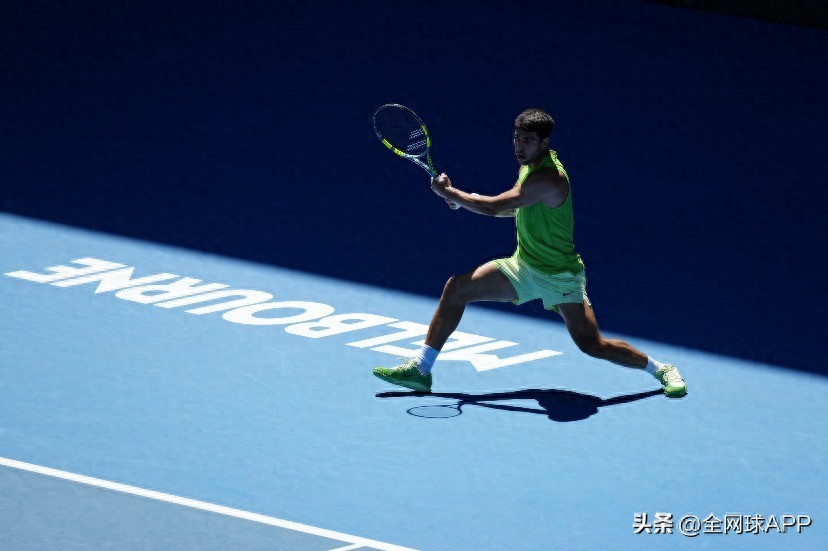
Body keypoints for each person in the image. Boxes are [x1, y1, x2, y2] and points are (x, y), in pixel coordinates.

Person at [373, 108, 687, 398]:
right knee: (456, 288)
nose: (519, 146)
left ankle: (661, 369)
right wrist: (461, 199)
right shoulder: (530, 166)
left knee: (593, 345)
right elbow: (513, 209)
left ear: (545, 142)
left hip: (559, 277)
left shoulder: (550, 178)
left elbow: (497, 205)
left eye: (528, 141)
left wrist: (453, 194)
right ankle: (421, 369)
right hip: (523, 267)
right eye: (516, 138)